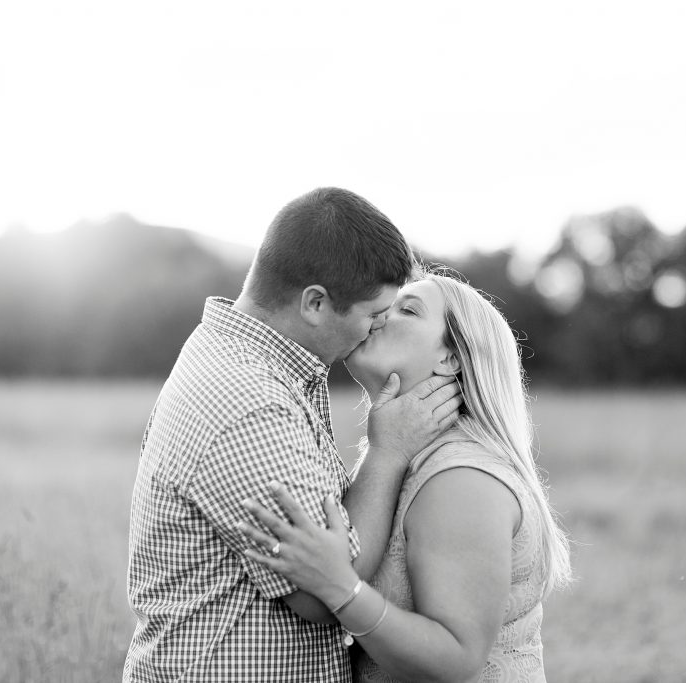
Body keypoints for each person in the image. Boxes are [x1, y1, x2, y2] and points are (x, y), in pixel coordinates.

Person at [122, 188, 462, 682]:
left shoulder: (246, 360)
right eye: (372, 315)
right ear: (316, 303)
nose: (375, 330)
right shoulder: (249, 401)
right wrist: (387, 452)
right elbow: (325, 589)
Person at [239, 268, 573, 682]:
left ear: (450, 358)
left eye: (407, 309)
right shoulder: (402, 455)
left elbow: (456, 656)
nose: (379, 315)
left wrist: (342, 589)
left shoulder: (462, 479)